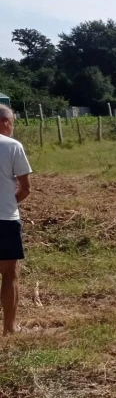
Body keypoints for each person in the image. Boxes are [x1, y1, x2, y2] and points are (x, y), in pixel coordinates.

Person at [0, 105, 32, 336]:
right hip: (4, 219)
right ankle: (10, 328)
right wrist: (10, 204)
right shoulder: (12, 146)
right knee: (10, 274)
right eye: (12, 122)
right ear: (5, 122)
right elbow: (26, 188)